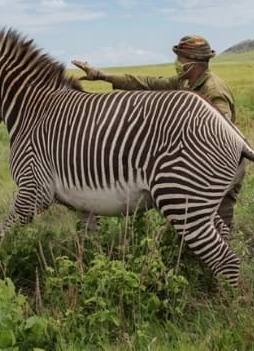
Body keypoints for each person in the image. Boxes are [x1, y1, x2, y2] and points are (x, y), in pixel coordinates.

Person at [71, 35, 243, 239]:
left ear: (194, 62)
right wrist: (102, 75)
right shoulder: (185, 82)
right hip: (199, 162)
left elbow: (219, 134)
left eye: (182, 59)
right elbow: (146, 83)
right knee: (193, 225)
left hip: (218, 164)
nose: (178, 63)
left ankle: (224, 265)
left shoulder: (213, 90)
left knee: (214, 227)